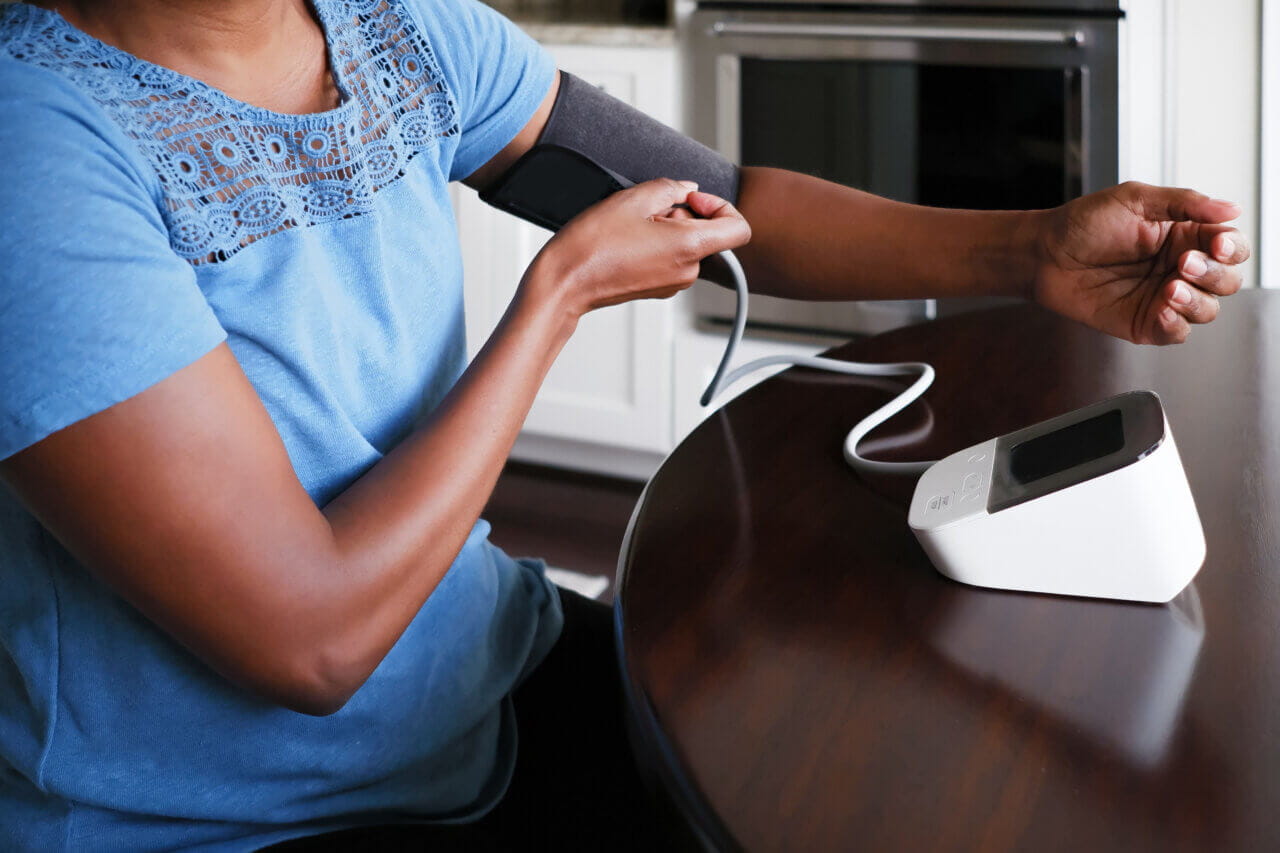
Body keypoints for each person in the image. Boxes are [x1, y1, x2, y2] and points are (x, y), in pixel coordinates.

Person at [0, 0, 1249, 849]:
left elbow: (726, 204)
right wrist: (556, 300)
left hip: (485, 682)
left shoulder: (401, 33)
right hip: (230, 819)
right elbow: (309, 639)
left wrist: (1028, 246)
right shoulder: (36, 143)